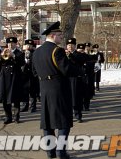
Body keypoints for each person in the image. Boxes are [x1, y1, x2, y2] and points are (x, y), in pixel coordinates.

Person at [32, 21, 77, 159]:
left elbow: (34, 72)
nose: (61, 37)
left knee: (48, 122)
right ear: (53, 35)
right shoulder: (57, 50)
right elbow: (67, 69)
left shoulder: (37, 51)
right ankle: (61, 151)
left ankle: (50, 151)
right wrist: (78, 68)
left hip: (44, 88)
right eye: (59, 35)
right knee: (63, 122)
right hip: (59, 88)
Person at [0, 37, 25, 124]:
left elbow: (22, 63)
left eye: (12, 43)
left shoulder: (19, 53)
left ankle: (16, 117)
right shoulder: (3, 52)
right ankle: (8, 117)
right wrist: (1, 55)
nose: (10, 45)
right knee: (5, 98)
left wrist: (13, 55)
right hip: (5, 76)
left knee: (15, 97)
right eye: (9, 43)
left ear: (15, 44)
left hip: (15, 77)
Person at [67, 40, 87, 123]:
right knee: (67, 98)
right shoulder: (64, 54)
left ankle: (78, 115)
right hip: (67, 78)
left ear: (75, 46)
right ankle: (68, 116)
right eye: (68, 45)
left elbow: (79, 62)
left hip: (76, 79)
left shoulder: (79, 54)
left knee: (77, 97)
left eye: (72, 45)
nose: (70, 47)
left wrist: (71, 55)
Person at [21, 39, 39, 113]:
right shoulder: (22, 53)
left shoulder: (35, 53)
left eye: (30, 45)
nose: (28, 46)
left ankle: (33, 107)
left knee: (33, 92)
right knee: (24, 92)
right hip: (24, 75)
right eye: (27, 45)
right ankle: (25, 106)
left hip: (32, 75)